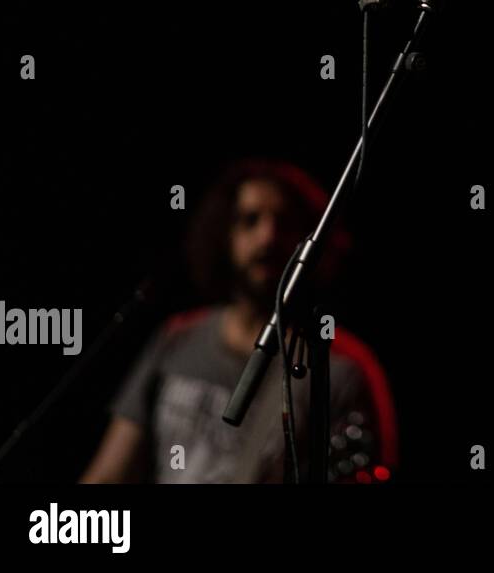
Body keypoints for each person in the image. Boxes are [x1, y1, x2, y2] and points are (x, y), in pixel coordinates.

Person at [80, 159, 397, 483]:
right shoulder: (176, 338)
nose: (267, 236)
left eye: (284, 222)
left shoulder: (341, 370)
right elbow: (108, 472)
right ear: (223, 233)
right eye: (250, 220)